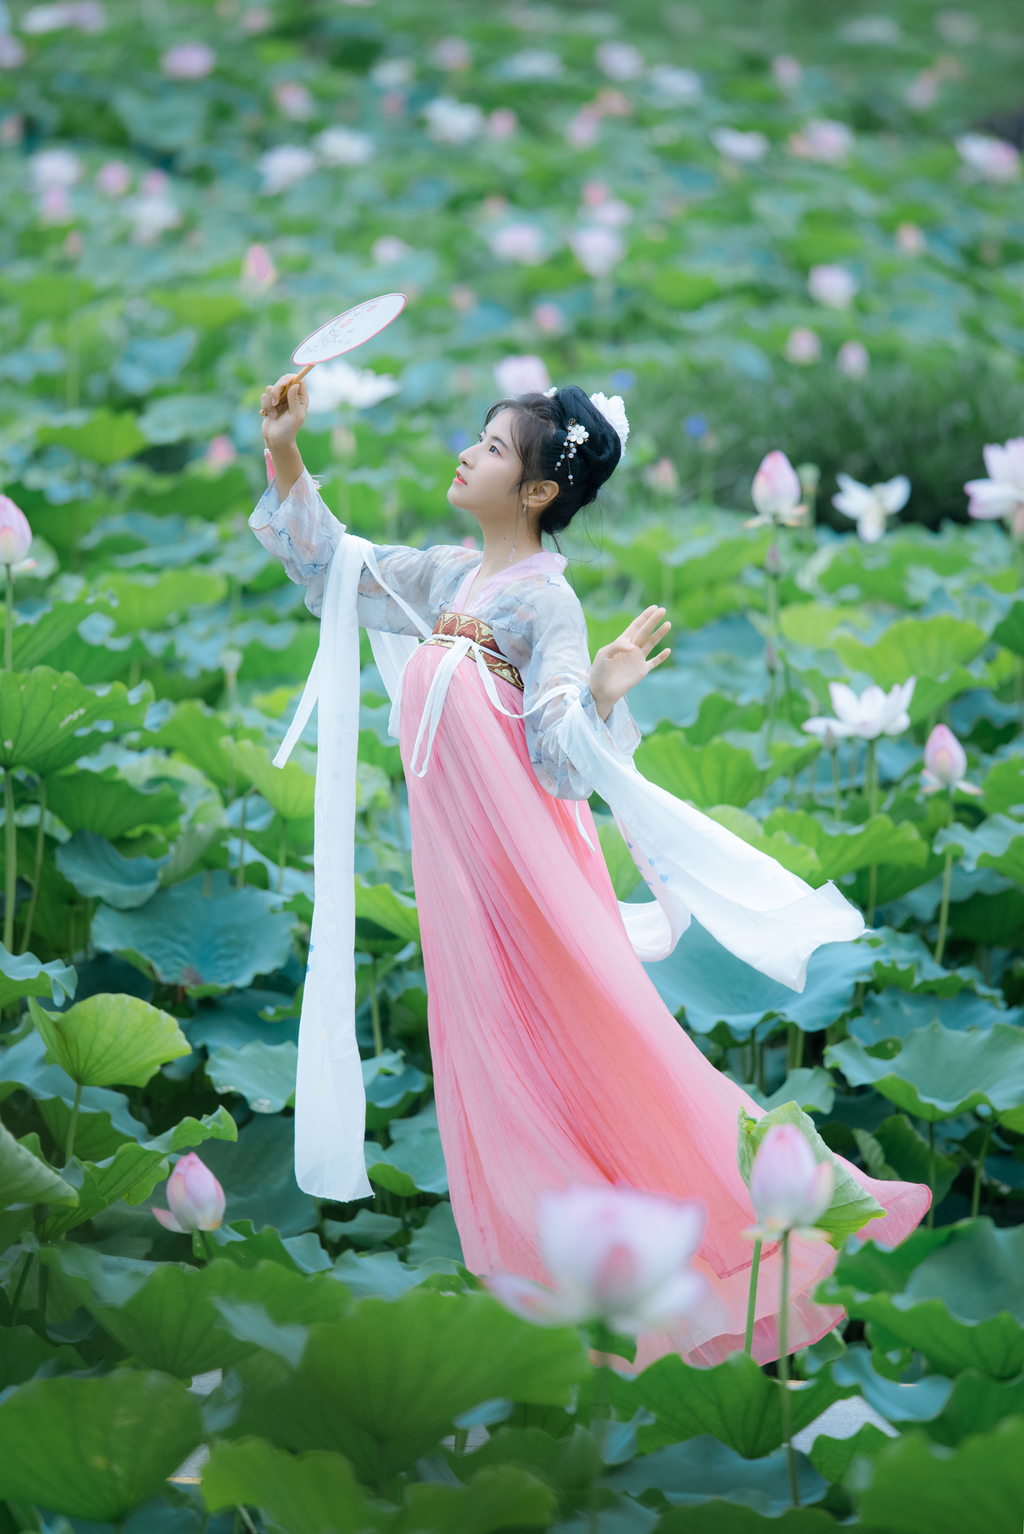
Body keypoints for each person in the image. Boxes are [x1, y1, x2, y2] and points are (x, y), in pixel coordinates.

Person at [252, 372, 928, 1368]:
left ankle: (726, 1246)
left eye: (489, 447)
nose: (466, 454)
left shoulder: (544, 604)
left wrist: (601, 692)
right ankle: (547, 1307)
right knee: (493, 1077)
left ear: (533, 491)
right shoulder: (449, 579)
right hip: (463, 897)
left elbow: (561, 762)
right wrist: (282, 449)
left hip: (527, 891)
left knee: (597, 1057)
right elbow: (333, 569)